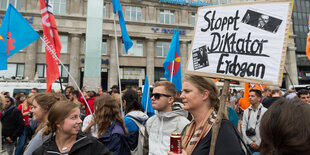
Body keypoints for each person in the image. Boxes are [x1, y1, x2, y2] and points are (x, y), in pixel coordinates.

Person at [168, 75, 242, 155]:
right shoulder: (188, 128)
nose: (181, 96)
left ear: (204, 95)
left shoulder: (222, 127)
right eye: (182, 92)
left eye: (187, 91)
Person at [32, 101, 112, 155]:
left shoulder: (90, 145)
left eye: (79, 117)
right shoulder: (43, 151)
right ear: (58, 123)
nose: (80, 121)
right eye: (74, 117)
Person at [145, 81, 190, 155]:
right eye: (152, 95)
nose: (152, 98)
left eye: (157, 95)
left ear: (170, 100)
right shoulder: (150, 121)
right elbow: (146, 149)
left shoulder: (184, 123)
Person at [242, 89, 267, 153]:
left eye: (253, 96)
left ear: (259, 98)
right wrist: (250, 142)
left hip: (262, 145)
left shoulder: (265, 111)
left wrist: (258, 143)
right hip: (249, 145)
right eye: (249, 96)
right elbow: (243, 127)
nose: (250, 98)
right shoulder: (246, 111)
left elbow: (266, 129)